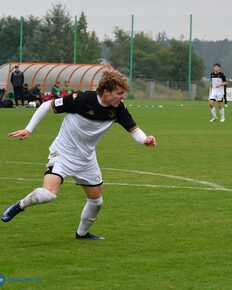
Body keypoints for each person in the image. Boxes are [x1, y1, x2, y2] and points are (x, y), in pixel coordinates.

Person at [2, 69, 157, 240]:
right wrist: (28, 129)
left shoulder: (118, 109)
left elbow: (133, 129)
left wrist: (145, 140)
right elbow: (47, 105)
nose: (122, 97)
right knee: (49, 194)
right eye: (119, 93)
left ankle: (82, 234)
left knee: (97, 201)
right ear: (106, 91)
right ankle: (20, 205)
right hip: (62, 154)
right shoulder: (80, 99)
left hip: (87, 159)